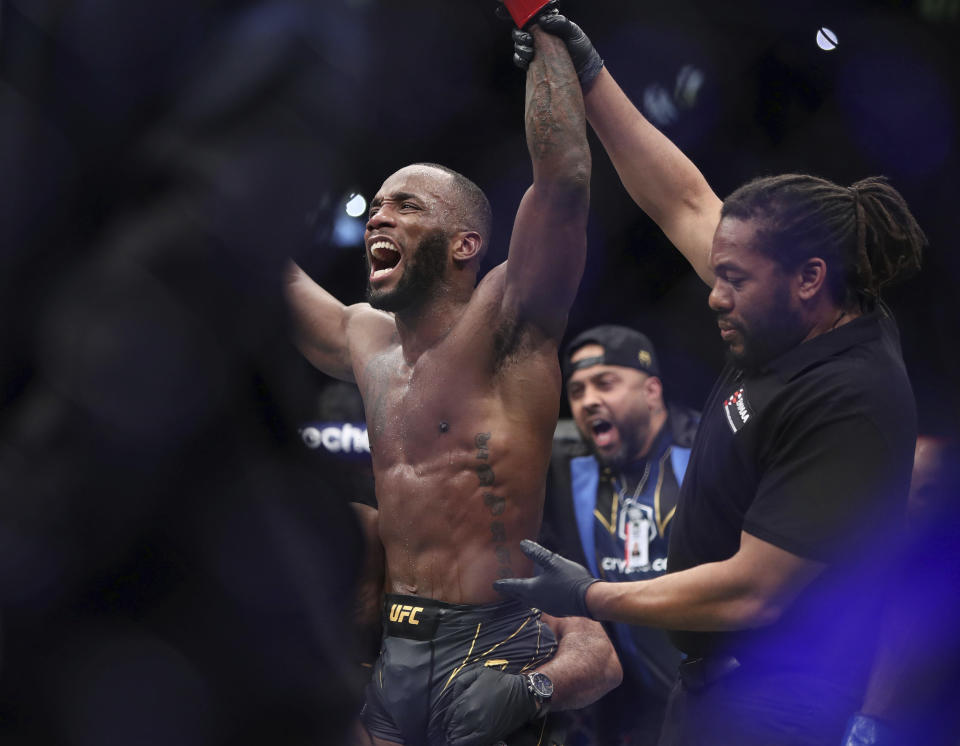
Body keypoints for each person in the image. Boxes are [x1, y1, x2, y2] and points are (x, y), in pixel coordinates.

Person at [495, 12, 927, 746]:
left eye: (732, 279)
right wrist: (589, 71)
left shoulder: (850, 396)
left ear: (808, 278)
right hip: (714, 688)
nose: (712, 294)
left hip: (777, 703)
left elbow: (753, 592)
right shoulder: (787, 309)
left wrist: (593, 594)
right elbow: (682, 198)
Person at [285, 22, 621, 746]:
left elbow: (562, 179)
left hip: (494, 633)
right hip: (399, 641)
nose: (379, 213)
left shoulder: (510, 322)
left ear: (466, 243)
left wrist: (539, 25)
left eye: (406, 204)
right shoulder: (363, 339)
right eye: (377, 204)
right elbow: (256, 271)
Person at [541, 325, 699, 744]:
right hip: (634, 714)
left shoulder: (708, 450)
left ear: (651, 391)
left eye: (604, 383)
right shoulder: (563, 464)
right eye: (576, 391)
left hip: (729, 696)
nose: (588, 400)